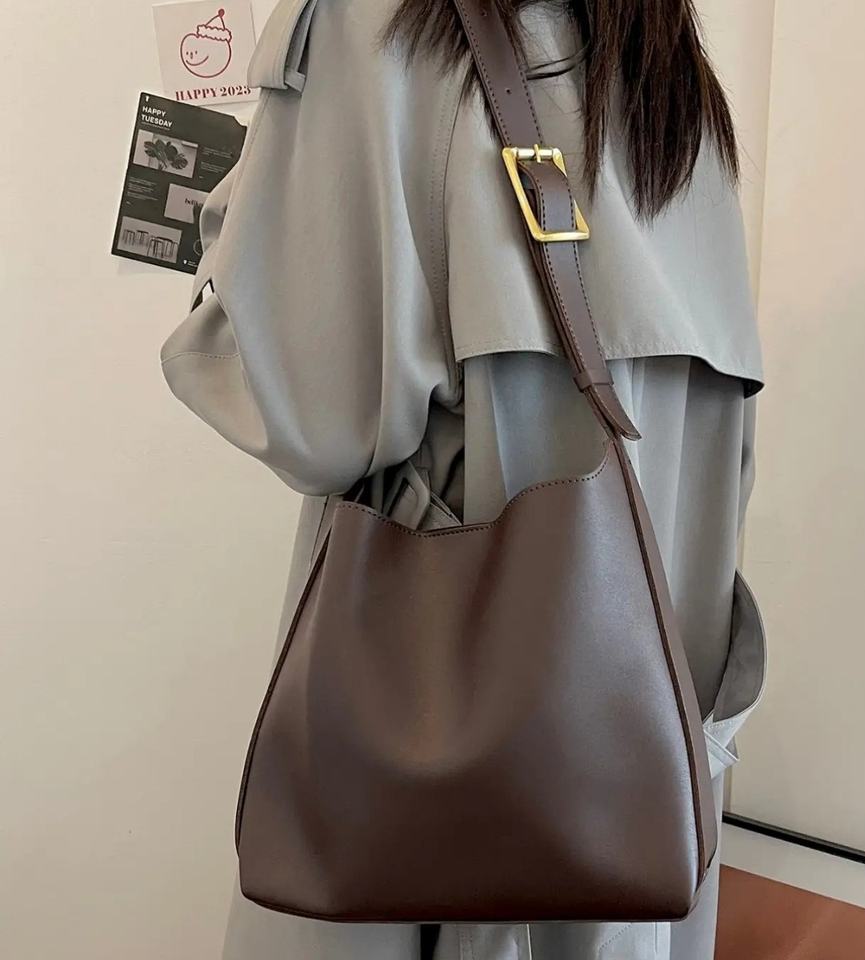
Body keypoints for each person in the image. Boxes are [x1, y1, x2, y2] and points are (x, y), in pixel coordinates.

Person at [160, 0, 767, 956]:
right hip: (643, 804)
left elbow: (299, 412)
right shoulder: (674, 77)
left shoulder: (377, 25)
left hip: (445, 835)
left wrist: (241, 211)